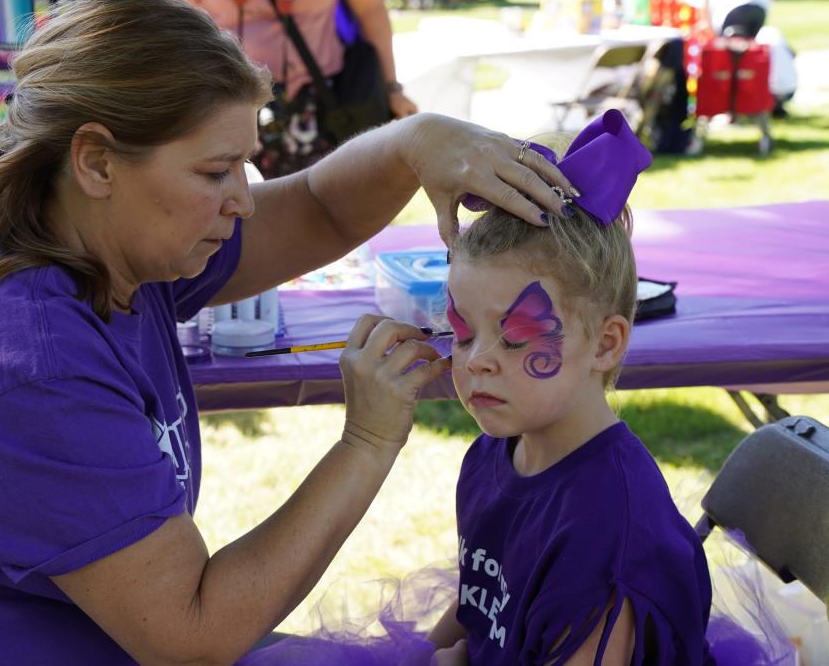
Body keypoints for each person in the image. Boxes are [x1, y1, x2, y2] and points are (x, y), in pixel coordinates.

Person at [0, 0, 577, 664]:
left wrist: (415, 143)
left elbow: (317, 208)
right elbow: (194, 636)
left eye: (245, 163)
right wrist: (366, 441)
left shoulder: (94, 240)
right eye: (216, 171)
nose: (242, 199)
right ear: (95, 162)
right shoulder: (27, 365)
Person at [237, 111, 791, 665]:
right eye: (463, 331)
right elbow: (477, 600)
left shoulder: (608, 540)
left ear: (605, 344)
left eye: (518, 338)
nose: (476, 361)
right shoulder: (493, 454)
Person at [154, 0, 418, 178]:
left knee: (329, 212)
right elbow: (169, 17)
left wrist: (392, 87)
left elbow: (370, 8)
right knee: (239, 216)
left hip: (321, 105)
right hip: (230, 101)